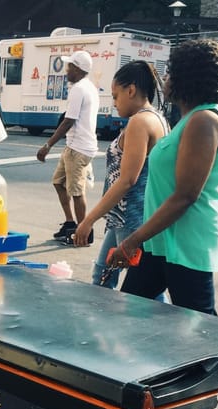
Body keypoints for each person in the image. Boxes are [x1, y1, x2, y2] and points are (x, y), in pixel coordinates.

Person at [104, 39, 218, 316]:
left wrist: (131, 240)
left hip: (186, 243)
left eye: (170, 72)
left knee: (200, 327)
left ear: (187, 77)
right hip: (161, 241)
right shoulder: (193, 120)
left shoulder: (204, 121)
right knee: (129, 312)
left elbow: (185, 195)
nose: (165, 78)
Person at [72, 61, 168, 289]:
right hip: (127, 216)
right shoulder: (158, 118)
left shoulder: (140, 122)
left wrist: (88, 220)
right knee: (104, 276)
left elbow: (127, 180)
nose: (114, 103)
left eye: (115, 96)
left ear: (131, 90)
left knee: (140, 289)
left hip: (130, 217)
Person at [36, 49, 99, 242]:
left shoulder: (79, 89)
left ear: (78, 69)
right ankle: (70, 223)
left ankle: (84, 233)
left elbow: (68, 121)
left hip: (78, 149)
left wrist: (47, 145)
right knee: (58, 182)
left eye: (69, 66)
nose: (66, 71)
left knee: (77, 192)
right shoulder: (88, 87)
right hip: (74, 146)